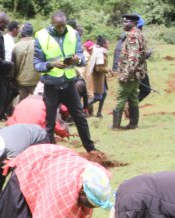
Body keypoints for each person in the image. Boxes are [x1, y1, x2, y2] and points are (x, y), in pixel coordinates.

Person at [33, 11, 96, 150]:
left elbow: (81, 58)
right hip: (51, 85)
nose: (61, 29)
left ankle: (90, 148)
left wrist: (77, 59)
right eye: (58, 26)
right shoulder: (42, 36)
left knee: (80, 118)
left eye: (63, 26)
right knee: (50, 122)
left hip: (68, 83)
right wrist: (51, 64)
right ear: (52, 24)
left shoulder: (73, 34)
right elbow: (37, 65)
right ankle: (50, 151)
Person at [0, 123, 48, 199]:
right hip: (15, 139)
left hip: (38, 138)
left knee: (25, 177)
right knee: (0, 173)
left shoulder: (14, 151)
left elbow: (20, 176)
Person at [113, 13, 147, 130]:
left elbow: (133, 58)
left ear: (133, 23)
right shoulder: (139, 33)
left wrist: (125, 74)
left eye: (126, 22)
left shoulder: (132, 35)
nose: (124, 23)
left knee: (121, 97)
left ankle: (116, 125)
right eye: (123, 21)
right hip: (137, 72)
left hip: (130, 73)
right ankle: (133, 124)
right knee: (133, 97)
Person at [12, 23, 39, 101]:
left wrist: (12, 81)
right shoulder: (38, 45)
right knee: (36, 103)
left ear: (21, 33)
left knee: (22, 104)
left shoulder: (16, 47)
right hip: (36, 81)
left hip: (21, 82)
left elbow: (13, 67)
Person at [85, 36, 110, 117]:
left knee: (104, 94)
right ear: (103, 44)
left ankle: (99, 113)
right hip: (98, 78)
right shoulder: (100, 53)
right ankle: (80, 109)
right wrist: (107, 69)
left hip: (102, 78)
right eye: (107, 43)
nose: (109, 44)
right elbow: (98, 68)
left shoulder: (101, 51)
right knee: (97, 97)